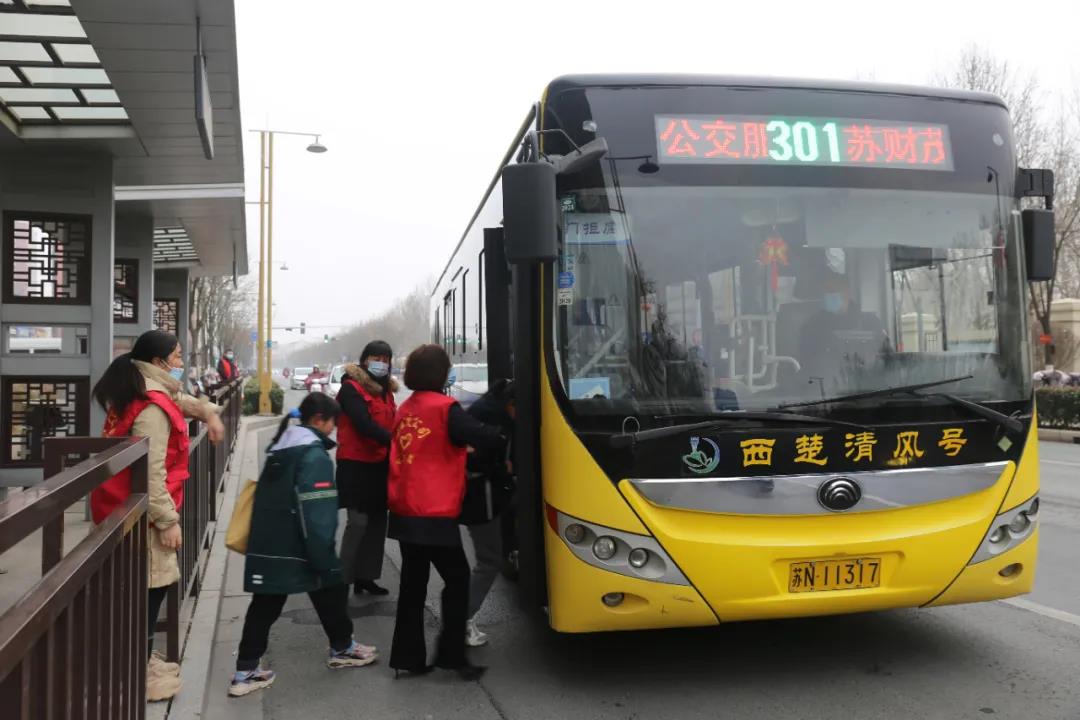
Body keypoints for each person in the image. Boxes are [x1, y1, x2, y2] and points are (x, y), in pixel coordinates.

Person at [89, 330, 225, 703]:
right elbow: (151, 472)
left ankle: (141, 660)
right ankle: (137, 673)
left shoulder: (142, 390)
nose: (181, 363)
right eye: (177, 356)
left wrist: (208, 412)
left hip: (124, 506)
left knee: (146, 586)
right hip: (144, 513)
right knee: (150, 588)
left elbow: (180, 400)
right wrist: (167, 520)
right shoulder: (152, 408)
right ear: (159, 361)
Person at [228, 392, 379, 698]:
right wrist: (323, 553)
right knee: (321, 588)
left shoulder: (282, 446)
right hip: (300, 546)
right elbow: (317, 511)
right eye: (333, 422)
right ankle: (248, 672)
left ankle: (339, 647)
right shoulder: (313, 455)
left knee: (284, 601)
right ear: (319, 420)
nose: (334, 429)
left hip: (272, 541)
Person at [388, 345, 504, 681]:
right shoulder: (445, 408)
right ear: (440, 374)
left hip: (405, 507)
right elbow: (486, 436)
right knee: (458, 579)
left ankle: (407, 657)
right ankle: (452, 654)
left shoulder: (406, 408)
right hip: (434, 510)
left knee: (413, 584)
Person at [336, 341, 398, 596]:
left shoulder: (387, 392)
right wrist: (394, 442)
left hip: (380, 465)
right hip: (355, 466)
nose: (381, 363)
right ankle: (341, 582)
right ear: (364, 359)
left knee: (377, 524)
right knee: (358, 523)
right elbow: (363, 424)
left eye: (385, 359)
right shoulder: (351, 388)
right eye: (376, 358)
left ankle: (366, 577)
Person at [459, 380, 516, 647]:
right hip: (481, 498)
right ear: (511, 403)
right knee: (489, 561)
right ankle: (462, 619)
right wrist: (503, 468)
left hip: (485, 495)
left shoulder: (490, 409)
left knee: (489, 558)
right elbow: (471, 458)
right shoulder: (487, 420)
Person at [798, 270, 889, 384]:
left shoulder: (871, 323)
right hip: (825, 388)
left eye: (832, 291)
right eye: (824, 292)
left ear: (847, 292)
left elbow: (887, 359)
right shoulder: (812, 326)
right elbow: (807, 364)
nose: (827, 296)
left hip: (869, 387)